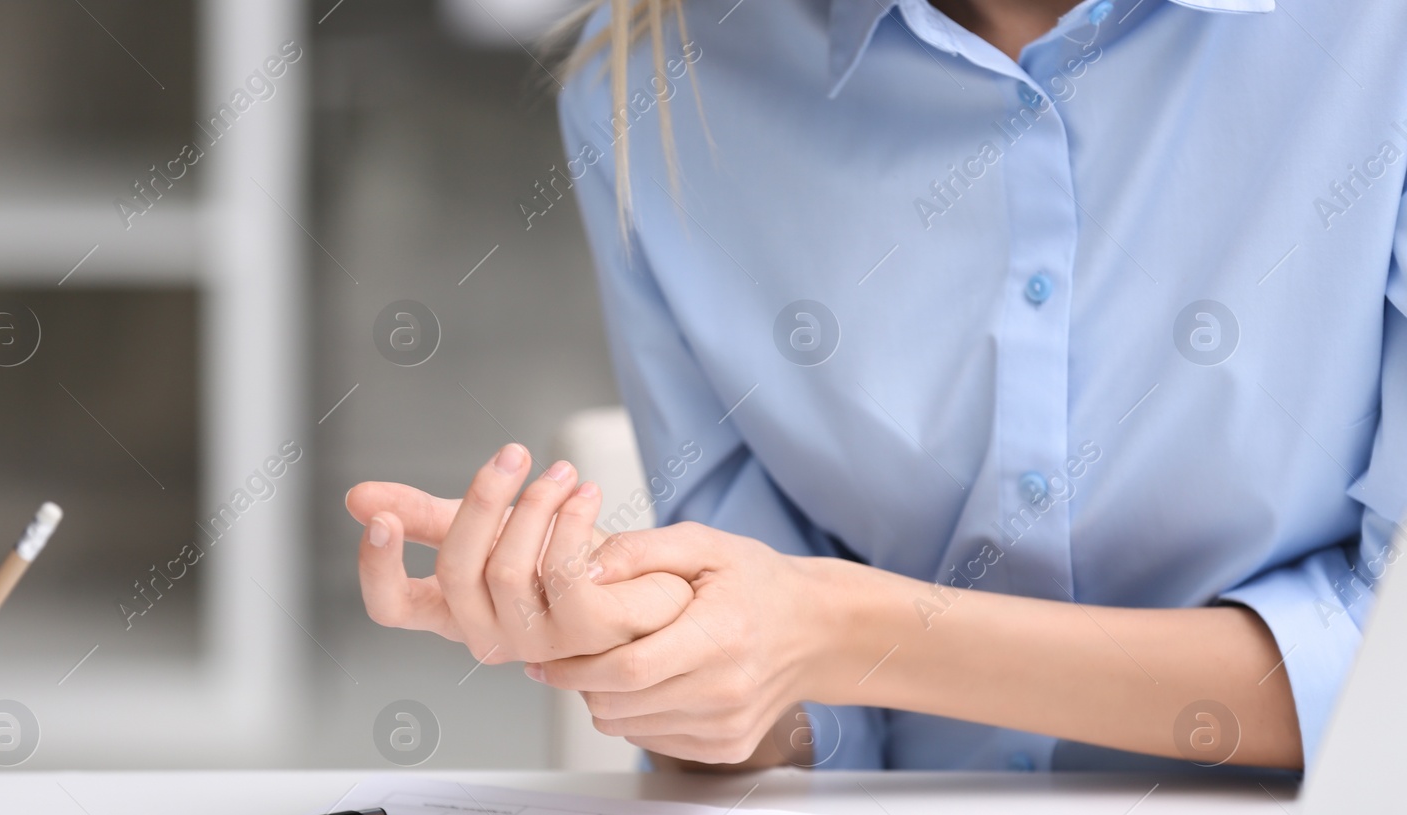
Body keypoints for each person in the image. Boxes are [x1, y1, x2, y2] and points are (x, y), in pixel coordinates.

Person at [345, 0, 1405, 774]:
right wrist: (679, 663)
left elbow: (1386, 667)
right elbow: (797, 703)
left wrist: (843, 630)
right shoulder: (655, 83)